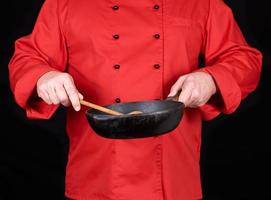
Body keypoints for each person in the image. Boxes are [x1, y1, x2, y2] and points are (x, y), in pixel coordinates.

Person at [9, 0, 262, 199]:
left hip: (173, 178)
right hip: (97, 175)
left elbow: (244, 60)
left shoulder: (200, 2)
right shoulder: (65, 3)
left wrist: (211, 79)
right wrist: (44, 76)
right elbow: (27, 59)